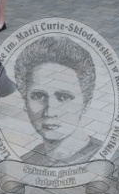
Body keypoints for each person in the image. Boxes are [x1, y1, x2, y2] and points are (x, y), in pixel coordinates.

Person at [14, 36, 101, 166]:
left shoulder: (104, 161)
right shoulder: (24, 162)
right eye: (38, 96)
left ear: (86, 103)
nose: (50, 111)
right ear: (25, 102)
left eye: (64, 97)